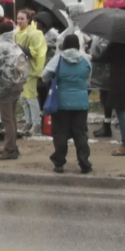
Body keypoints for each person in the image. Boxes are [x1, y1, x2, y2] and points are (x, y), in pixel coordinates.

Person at [42, 35, 92, 174]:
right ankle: (84, 162)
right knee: (80, 133)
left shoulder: (58, 59)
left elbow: (44, 75)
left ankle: (59, 162)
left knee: (60, 133)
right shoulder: (85, 59)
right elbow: (89, 76)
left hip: (61, 102)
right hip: (81, 102)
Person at [0, 21, 29, 160]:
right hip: (17, 85)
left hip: (4, 88)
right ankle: (13, 146)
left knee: (7, 119)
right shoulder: (16, 47)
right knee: (12, 117)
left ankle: (10, 150)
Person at [95, 37, 125, 156]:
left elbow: (102, 58)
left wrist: (91, 56)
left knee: (121, 113)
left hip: (119, 79)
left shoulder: (115, 43)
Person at [15, 9, 47, 135]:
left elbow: (35, 52)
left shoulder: (34, 34)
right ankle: (28, 122)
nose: (19, 21)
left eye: (22, 18)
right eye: (18, 18)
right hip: (21, 70)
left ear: (28, 20)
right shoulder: (17, 32)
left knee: (31, 97)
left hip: (31, 70)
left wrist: (20, 48)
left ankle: (36, 123)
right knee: (23, 98)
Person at [89, 36, 114, 137]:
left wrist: (92, 57)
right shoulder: (99, 36)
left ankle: (107, 126)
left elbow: (105, 54)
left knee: (106, 99)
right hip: (101, 72)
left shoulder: (105, 37)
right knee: (104, 98)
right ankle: (106, 124)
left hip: (105, 73)